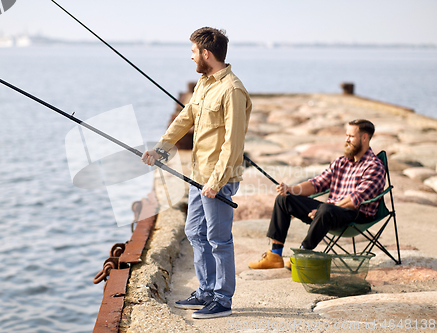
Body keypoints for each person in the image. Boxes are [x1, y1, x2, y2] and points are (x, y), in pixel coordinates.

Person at [142, 27, 252, 319]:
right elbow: (185, 117)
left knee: (218, 239)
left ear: (206, 53)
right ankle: (205, 291)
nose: (191, 57)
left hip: (219, 179)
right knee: (194, 231)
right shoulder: (204, 84)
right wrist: (160, 149)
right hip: (198, 175)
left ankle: (222, 299)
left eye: (193, 52)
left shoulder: (232, 90)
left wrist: (216, 182)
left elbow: (233, 142)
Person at [248, 119, 386, 269]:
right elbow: (317, 183)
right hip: (330, 211)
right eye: (346, 135)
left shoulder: (374, 166)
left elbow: (355, 200)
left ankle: (302, 254)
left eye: (351, 136)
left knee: (326, 209)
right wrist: (291, 189)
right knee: (284, 199)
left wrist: (322, 209)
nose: (346, 140)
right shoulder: (341, 162)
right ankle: (275, 255)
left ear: (364, 138)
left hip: (356, 215)